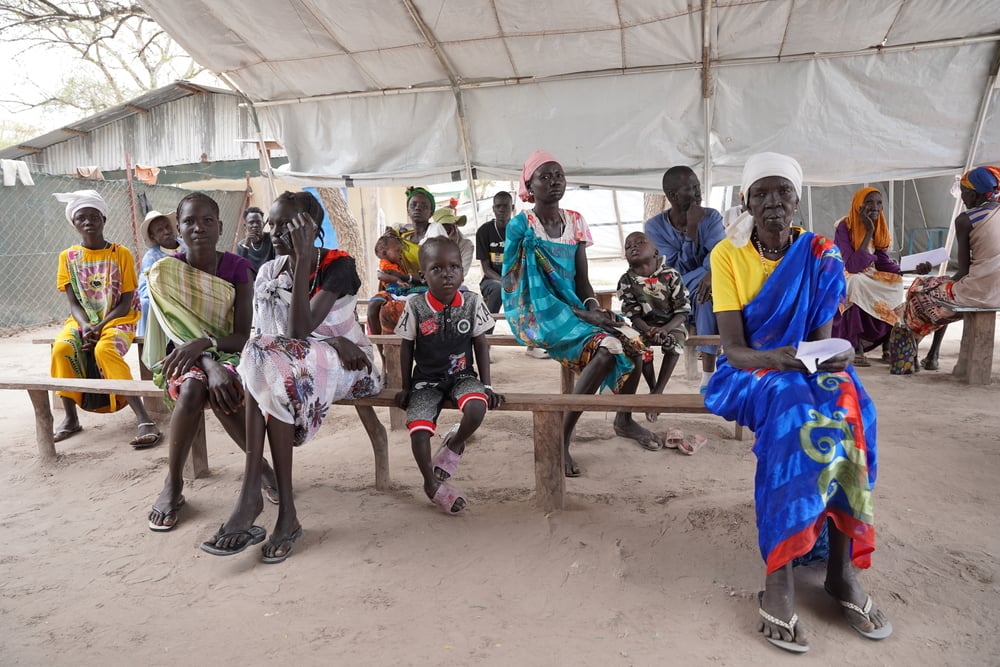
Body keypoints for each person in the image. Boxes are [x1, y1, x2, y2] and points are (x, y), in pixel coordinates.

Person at [705, 152, 891, 654]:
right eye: (761, 194)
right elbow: (734, 348)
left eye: (782, 193)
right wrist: (777, 359)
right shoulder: (727, 254)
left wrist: (839, 354)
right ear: (745, 200)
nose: (772, 203)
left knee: (851, 403)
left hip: (798, 365)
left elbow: (820, 344)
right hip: (749, 371)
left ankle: (840, 570)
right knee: (791, 410)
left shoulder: (820, 254)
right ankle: (779, 576)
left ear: (797, 199)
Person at [201, 191, 382, 562]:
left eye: (287, 223)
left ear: (311, 227)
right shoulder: (269, 270)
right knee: (263, 365)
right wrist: (323, 343)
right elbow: (268, 336)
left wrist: (301, 263)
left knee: (265, 365)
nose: (276, 231)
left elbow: (297, 331)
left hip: (351, 365)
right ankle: (283, 515)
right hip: (294, 364)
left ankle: (253, 497)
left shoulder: (338, 264)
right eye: (273, 224)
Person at [503, 150, 662, 476]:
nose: (554, 182)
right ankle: (561, 437)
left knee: (634, 341)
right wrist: (585, 316)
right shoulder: (521, 226)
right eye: (544, 176)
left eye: (558, 175)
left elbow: (583, 281)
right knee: (607, 350)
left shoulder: (575, 221)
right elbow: (514, 284)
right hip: (538, 313)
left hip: (575, 308)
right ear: (529, 185)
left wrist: (593, 308)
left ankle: (624, 419)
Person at [143, 192, 280, 531]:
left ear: (220, 227)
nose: (198, 228)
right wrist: (207, 361)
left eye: (207, 221)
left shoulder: (238, 268)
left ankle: (259, 468)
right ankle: (173, 485)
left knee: (224, 386)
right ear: (179, 228)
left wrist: (207, 347)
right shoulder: (166, 272)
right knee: (192, 387)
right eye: (189, 221)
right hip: (184, 356)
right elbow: (177, 335)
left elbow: (241, 336)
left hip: (230, 351)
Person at [395, 236, 501, 514]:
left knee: (478, 408)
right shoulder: (415, 305)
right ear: (422, 274)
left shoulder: (473, 302)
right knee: (418, 431)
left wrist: (487, 385)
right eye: (437, 268)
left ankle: (454, 444)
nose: (447, 274)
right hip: (425, 382)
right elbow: (406, 348)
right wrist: (405, 386)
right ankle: (431, 484)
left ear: (463, 271)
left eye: (454, 266)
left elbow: (480, 343)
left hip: (462, 376)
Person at [50, 190, 161, 448]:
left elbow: (125, 303)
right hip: (82, 321)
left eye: (93, 216)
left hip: (119, 318)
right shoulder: (67, 258)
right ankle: (70, 418)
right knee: (62, 348)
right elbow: (74, 304)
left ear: (104, 219)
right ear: (74, 224)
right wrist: (86, 324)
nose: (88, 221)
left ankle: (144, 418)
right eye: (81, 218)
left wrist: (100, 326)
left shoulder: (119, 253)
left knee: (106, 349)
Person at [901, 165, 1000, 368]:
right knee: (938, 292)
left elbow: (963, 271)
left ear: (973, 194)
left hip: (980, 291)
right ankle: (932, 356)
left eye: (963, 193)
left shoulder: (965, 220)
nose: (962, 198)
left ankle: (914, 353)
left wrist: (933, 285)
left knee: (919, 290)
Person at [616, 231, 703, 452]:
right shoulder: (626, 281)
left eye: (640, 242)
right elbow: (632, 314)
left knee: (674, 344)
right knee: (636, 346)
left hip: (671, 324)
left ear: (655, 251)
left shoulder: (671, 275)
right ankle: (652, 388)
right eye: (628, 246)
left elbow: (683, 311)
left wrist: (664, 329)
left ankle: (658, 391)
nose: (633, 247)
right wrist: (649, 330)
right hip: (642, 326)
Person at [645, 166, 725, 392]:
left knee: (706, 295)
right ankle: (710, 373)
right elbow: (673, 271)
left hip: (704, 288)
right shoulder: (655, 227)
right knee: (706, 284)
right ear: (672, 196)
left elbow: (719, 254)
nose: (698, 193)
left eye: (697, 186)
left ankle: (708, 376)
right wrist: (692, 231)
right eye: (690, 189)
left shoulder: (712, 217)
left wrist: (710, 273)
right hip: (670, 292)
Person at [831, 187, 930, 366]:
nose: (875, 207)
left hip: (870, 273)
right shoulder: (844, 226)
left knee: (895, 283)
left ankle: (887, 344)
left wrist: (911, 269)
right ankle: (856, 346)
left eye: (879, 203)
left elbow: (883, 262)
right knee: (855, 283)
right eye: (869, 202)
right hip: (848, 272)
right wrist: (868, 230)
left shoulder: (880, 227)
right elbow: (852, 265)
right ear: (858, 205)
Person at [367, 186, 434, 335]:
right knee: (373, 306)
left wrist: (405, 277)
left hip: (423, 285)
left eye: (424, 205)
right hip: (398, 287)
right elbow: (383, 260)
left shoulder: (434, 236)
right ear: (407, 210)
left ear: (431, 212)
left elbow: (432, 274)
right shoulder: (398, 235)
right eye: (413, 205)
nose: (418, 208)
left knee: (403, 309)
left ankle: (413, 348)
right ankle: (383, 351)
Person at [137, 209, 185, 336]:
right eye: (160, 230)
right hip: (165, 297)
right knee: (145, 303)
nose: (166, 232)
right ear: (153, 237)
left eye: (167, 226)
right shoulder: (151, 257)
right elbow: (144, 288)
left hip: (190, 291)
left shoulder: (187, 247)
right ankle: (147, 341)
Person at [476, 191, 513, 313]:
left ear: (512, 208)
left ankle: (528, 330)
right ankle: (487, 329)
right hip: (491, 280)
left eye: (505, 206)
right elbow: (486, 269)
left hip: (516, 278)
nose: (502, 210)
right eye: (498, 206)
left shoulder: (519, 229)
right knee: (498, 288)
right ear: (493, 209)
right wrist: (504, 281)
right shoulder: (484, 231)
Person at [430, 208, 475, 275]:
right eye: (443, 226)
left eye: (450, 224)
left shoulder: (467, 245)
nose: (447, 228)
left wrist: (451, 246)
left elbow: (460, 275)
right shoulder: (430, 241)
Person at [236, 206, 275, 272]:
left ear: (263, 223)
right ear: (245, 226)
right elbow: (241, 269)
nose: (255, 225)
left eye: (258, 222)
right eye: (251, 222)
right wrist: (246, 246)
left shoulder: (271, 238)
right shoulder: (241, 245)